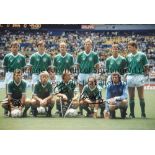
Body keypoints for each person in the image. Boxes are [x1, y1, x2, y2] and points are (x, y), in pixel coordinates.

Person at [126, 41, 149, 118]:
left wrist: (145, 75)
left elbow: (146, 66)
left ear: (134, 47)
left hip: (139, 76)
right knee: (131, 96)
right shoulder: (128, 56)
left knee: (141, 96)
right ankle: (132, 114)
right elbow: (126, 67)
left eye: (130, 47)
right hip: (130, 76)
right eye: (128, 47)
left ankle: (143, 114)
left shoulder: (142, 55)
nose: (128, 48)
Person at [77, 38, 99, 115]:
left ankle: (92, 110)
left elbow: (97, 65)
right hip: (82, 74)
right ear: (84, 45)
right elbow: (78, 65)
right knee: (81, 93)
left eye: (89, 44)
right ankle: (80, 110)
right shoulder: (80, 54)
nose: (87, 45)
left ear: (91, 45)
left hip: (91, 75)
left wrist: (96, 75)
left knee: (91, 93)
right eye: (86, 44)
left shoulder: (94, 54)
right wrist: (79, 73)